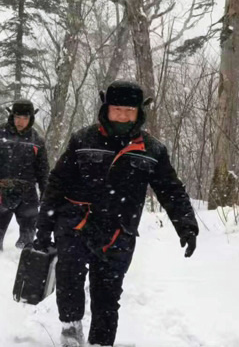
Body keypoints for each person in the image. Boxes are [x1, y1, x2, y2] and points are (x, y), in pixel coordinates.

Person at [32, 80, 198, 347]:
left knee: (107, 294)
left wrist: (187, 226)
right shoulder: (83, 140)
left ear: (139, 113)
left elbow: (171, 189)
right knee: (69, 280)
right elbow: (57, 182)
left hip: (119, 233)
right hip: (76, 225)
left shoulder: (152, 150)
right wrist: (44, 226)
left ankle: (100, 342)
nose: (123, 116)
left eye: (129, 111)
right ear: (106, 108)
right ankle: (71, 330)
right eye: (117, 109)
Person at [0, 100, 49, 253]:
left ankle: (23, 260)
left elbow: (43, 171)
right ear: (12, 116)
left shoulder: (37, 141)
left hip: (27, 193)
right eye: (17, 117)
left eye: (25, 118)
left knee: (29, 232)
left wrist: (46, 193)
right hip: (0, 191)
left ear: (31, 119)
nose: (21, 122)